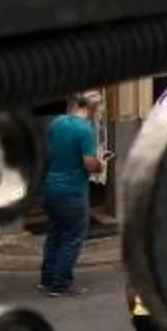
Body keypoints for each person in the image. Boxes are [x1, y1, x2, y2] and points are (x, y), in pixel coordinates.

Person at [38, 92, 106, 296]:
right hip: (72, 191)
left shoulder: (57, 123)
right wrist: (100, 163)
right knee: (73, 237)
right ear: (93, 108)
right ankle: (60, 283)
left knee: (55, 233)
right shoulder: (84, 130)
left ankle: (46, 278)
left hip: (50, 187)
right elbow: (89, 163)